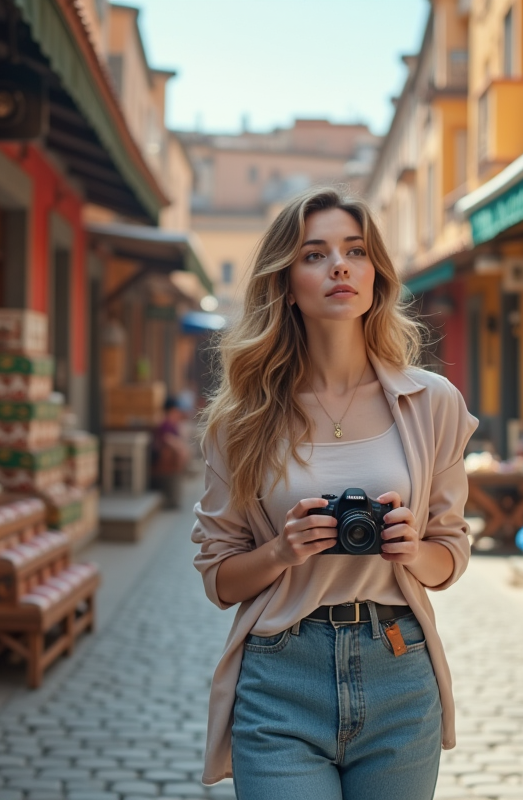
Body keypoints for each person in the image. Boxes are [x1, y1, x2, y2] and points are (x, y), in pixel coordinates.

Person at [191, 187, 478, 799]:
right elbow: (218, 579)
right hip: (280, 679)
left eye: (355, 250)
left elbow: (450, 554)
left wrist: (411, 549)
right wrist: (282, 551)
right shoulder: (239, 419)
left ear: (376, 273)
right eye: (314, 254)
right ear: (284, 282)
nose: (339, 266)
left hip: (398, 667)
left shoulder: (432, 404)